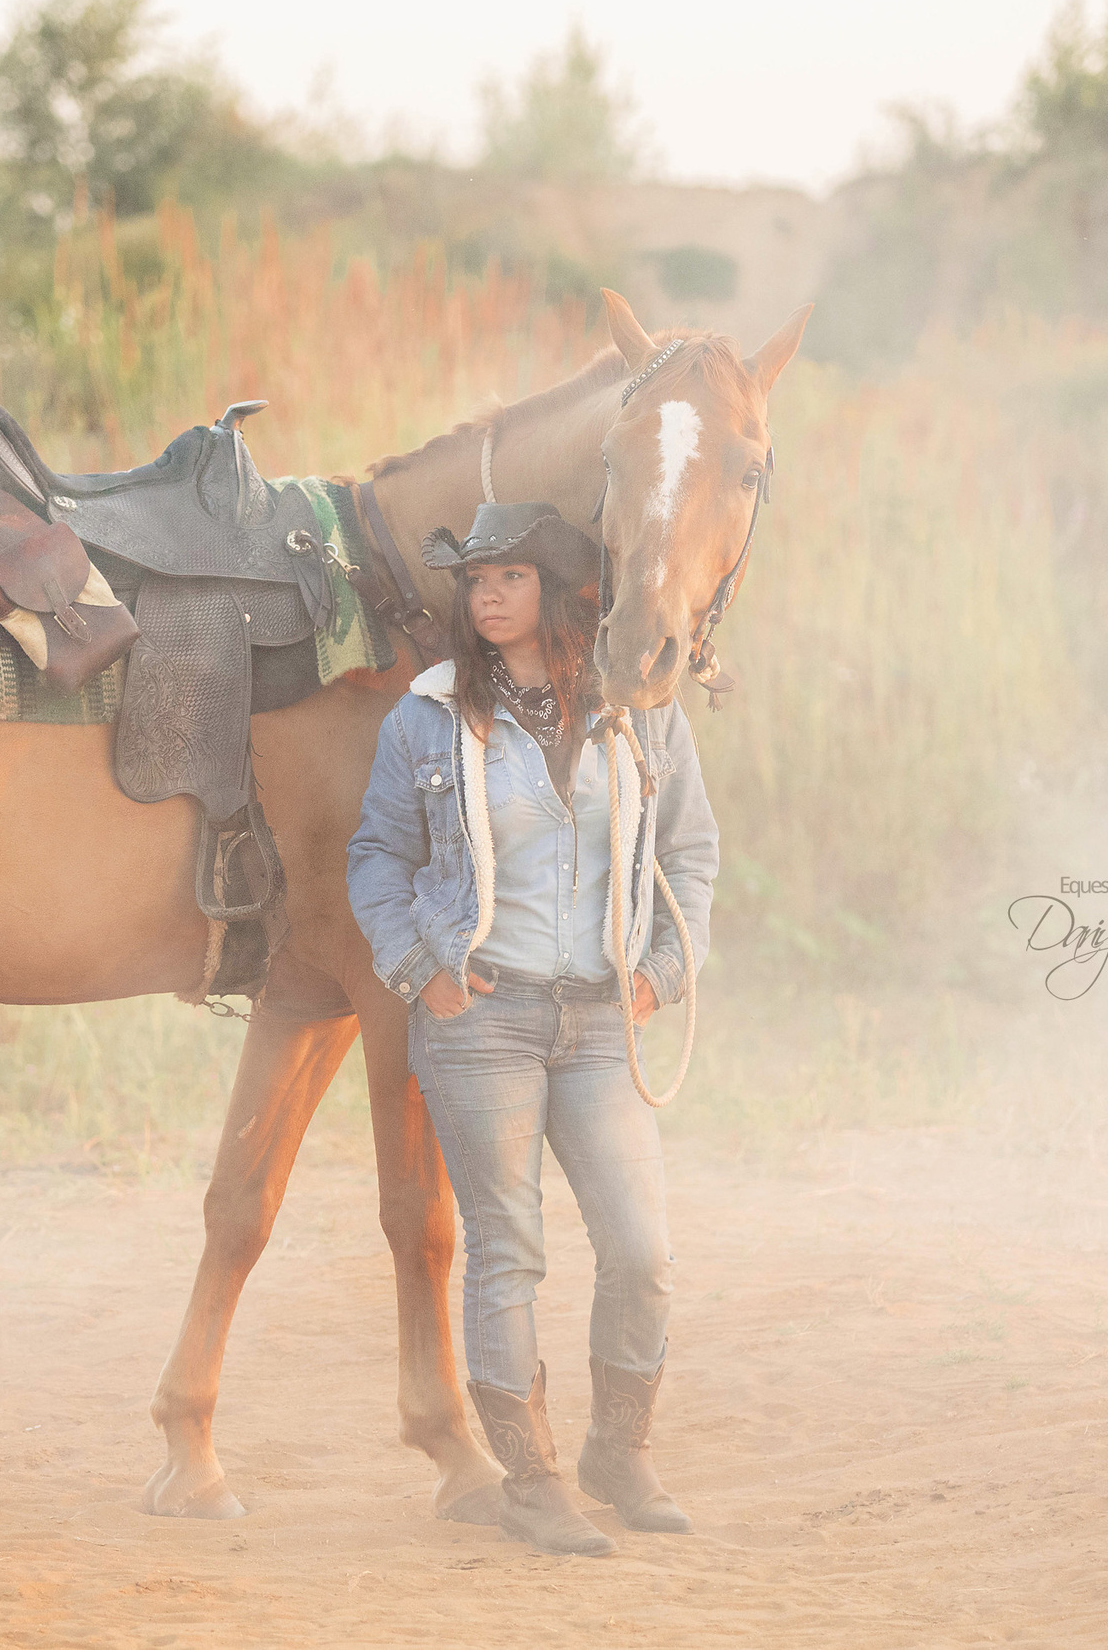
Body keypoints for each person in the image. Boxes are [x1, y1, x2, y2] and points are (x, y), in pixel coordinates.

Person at [346, 501, 720, 1557]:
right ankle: (531, 1474)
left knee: (641, 1250)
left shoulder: (639, 714)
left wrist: (658, 973)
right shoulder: (428, 717)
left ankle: (618, 1447)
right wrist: (422, 970)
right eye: (474, 579)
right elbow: (376, 854)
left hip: (604, 1018)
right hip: (483, 1019)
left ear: (562, 593)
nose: (485, 595)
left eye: (509, 575)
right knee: (507, 1247)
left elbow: (689, 851)